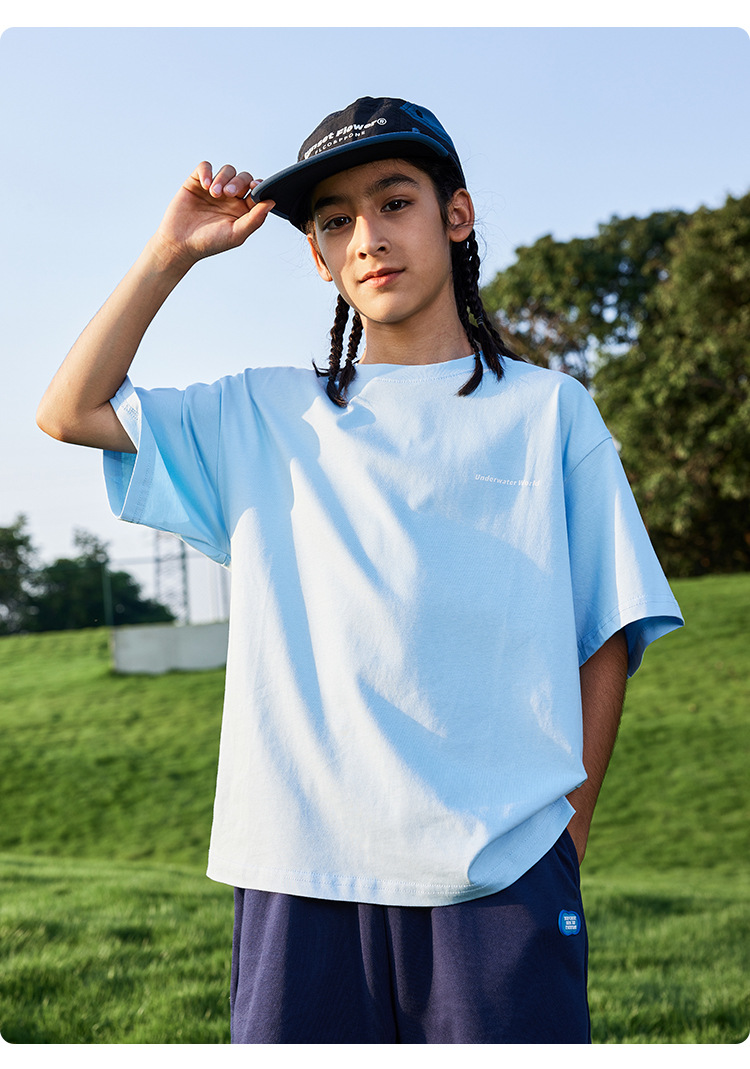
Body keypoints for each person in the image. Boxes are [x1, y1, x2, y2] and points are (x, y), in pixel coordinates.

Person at [37, 96, 684, 1044]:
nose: (368, 237)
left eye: (395, 202)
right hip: (295, 875)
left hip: (500, 878)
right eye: (336, 221)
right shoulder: (264, 415)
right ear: (317, 256)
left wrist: (563, 839)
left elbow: (609, 631)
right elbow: (70, 409)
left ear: (456, 215)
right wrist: (169, 254)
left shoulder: (550, 412)